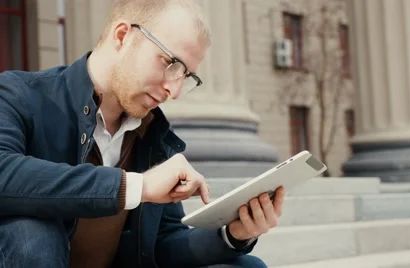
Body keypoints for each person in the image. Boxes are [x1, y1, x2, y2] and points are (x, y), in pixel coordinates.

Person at [0, 0, 285, 267]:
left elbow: (164, 244)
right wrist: (137, 187)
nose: (173, 92)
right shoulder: (19, 95)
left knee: (245, 264)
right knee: (31, 232)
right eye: (170, 63)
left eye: (186, 77)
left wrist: (233, 234)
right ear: (123, 36)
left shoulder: (153, 134)